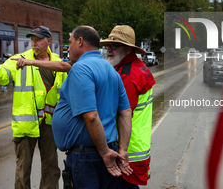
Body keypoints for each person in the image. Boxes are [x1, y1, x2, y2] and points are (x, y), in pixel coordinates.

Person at [0, 26, 67, 189]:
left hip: (49, 123)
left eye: (38, 40)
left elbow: (66, 94)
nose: (34, 43)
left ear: (49, 41)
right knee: (23, 168)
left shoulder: (59, 64)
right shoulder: (19, 59)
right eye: (32, 40)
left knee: (51, 166)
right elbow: (0, 76)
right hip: (26, 125)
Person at [51, 26, 133, 189]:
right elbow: (125, 112)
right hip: (108, 151)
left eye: (70, 42)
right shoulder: (111, 70)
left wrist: (104, 153)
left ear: (80, 41)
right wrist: (122, 149)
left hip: (88, 157)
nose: (68, 48)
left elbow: (91, 116)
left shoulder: (80, 69)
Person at [100, 25, 156, 188]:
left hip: (125, 150)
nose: (109, 50)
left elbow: (120, 114)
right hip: (136, 145)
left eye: (115, 46)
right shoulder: (136, 67)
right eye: (108, 46)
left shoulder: (127, 75)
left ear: (128, 49)